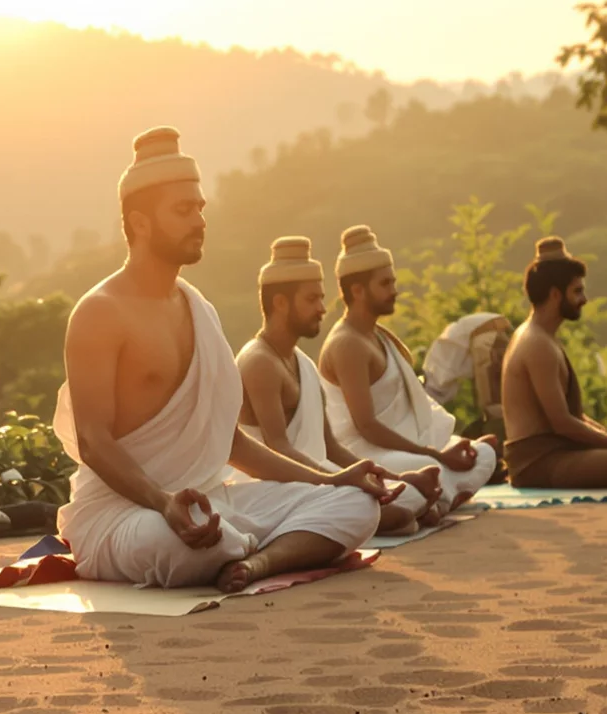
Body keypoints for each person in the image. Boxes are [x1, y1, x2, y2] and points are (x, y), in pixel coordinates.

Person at [55, 130, 388, 592]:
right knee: (180, 539)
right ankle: (249, 547)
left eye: (200, 208)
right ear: (142, 223)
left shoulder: (199, 310)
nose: (199, 220)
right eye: (182, 210)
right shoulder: (99, 312)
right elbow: (93, 440)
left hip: (207, 502)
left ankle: (256, 563)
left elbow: (234, 445)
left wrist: (331, 480)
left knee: (357, 504)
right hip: (123, 514)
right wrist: (164, 501)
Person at [235, 236, 434, 534]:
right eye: (311, 299)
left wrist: (397, 477)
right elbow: (278, 448)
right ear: (280, 303)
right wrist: (339, 481)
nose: (322, 308)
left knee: (408, 497)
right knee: (395, 512)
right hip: (271, 484)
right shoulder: (259, 361)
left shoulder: (302, 362)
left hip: (313, 480)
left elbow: (330, 446)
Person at [318, 225, 499, 509]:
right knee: (428, 469)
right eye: (385, 284)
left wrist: (442, 449)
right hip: (365, 453)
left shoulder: (377, 335)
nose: (394, 290)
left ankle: (435, 499)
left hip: (404, 447)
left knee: (484, 453)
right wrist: (436, 455)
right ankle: (432, 498)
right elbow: (366, 427)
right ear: (358, 290)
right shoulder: (347, 344)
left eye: (393, 282)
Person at [500, 236, 607, 491]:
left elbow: (574, 417)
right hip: (537, 464)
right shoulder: (535, 343)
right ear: (556, 294)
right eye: (577, 291)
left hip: (560, 453)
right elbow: (562, 423)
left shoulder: (546, 338)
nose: (584, 299)